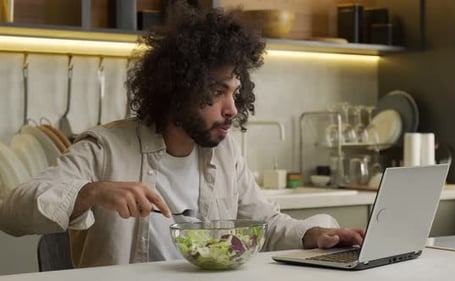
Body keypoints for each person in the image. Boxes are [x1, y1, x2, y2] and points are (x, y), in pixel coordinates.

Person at [0, 2, 364, 268]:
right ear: (178, 88)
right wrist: (92, 192)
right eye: (217, 91)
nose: (232, 109)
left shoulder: (224, 152)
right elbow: (12, 211)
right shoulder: (105, 148)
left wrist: (312, 235)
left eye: (235, 93)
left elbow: (264, 224)